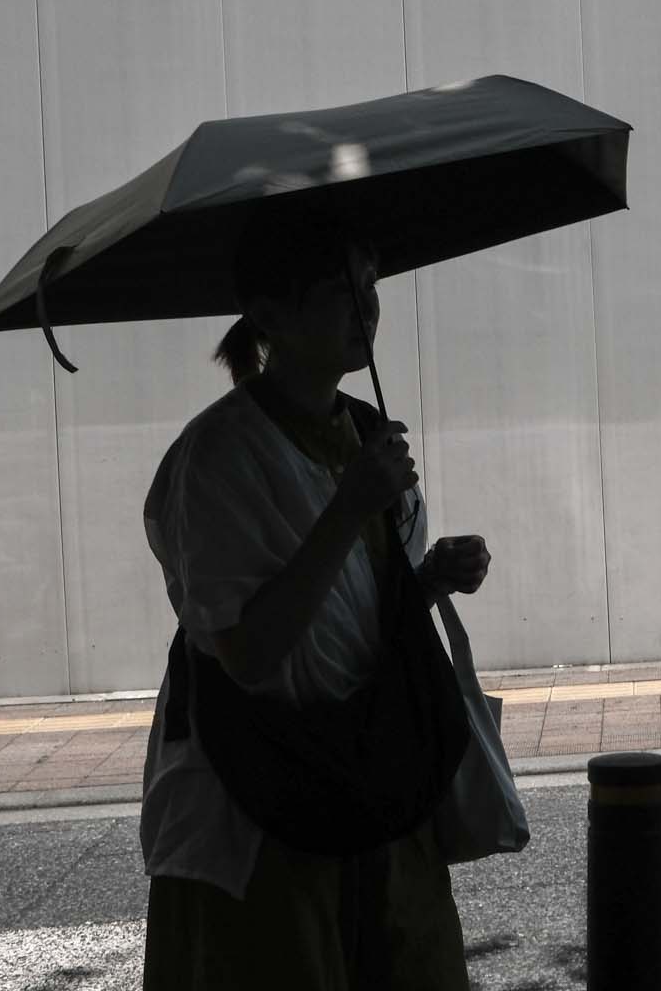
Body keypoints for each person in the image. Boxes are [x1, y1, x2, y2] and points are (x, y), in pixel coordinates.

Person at [139, 211, 493, 990]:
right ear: (269, 316)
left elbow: (361, 605)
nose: (365, 310)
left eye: (371, 286)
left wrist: (426, 579)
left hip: (371, 786)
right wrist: (349, 508)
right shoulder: (219, 457)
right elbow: (250, 652)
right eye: (339, 291)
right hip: (263, 805)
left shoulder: (364, 432)